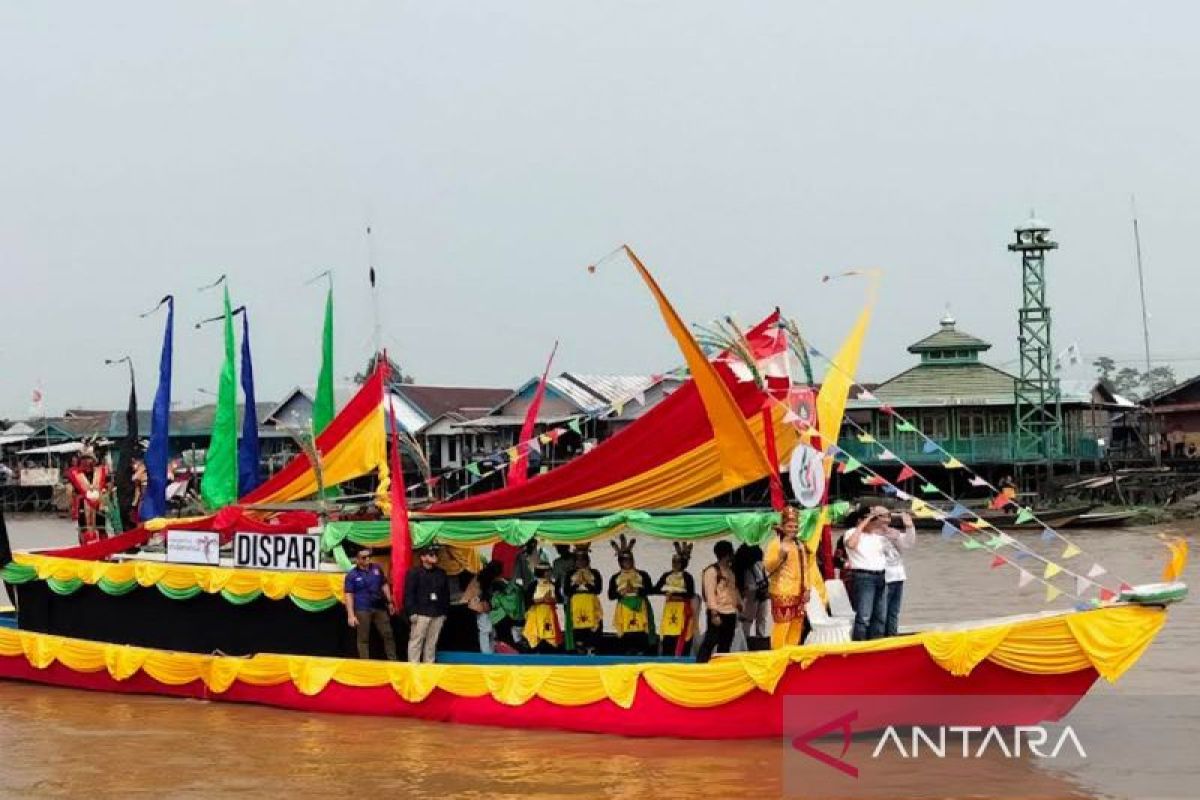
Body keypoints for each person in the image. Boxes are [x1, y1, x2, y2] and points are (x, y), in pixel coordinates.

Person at [844, 506, 896, 641]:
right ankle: (860, 645)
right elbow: (851, 545)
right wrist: (866, 520)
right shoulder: (852, 533)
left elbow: (898, 550)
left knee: (880, 616)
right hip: (864, 577)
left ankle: (876, 644)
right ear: (861, 520)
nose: (874, 523)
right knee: (864, 616)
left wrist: (883, 522)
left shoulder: (877, 537)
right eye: (872, 520)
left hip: (881, 576)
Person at [764, 506, 810, 649]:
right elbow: (768, 567)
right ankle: (778, 656)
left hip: (798, 591)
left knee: (797, 625)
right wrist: (780, 556)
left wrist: (807, 588)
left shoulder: (799, 544)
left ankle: (790, 656)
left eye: (795, 526)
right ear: (783, 527)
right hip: (782, 591)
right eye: (790, 526)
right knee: (782, 625)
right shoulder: (776, 544)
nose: (793, 529)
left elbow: (805, 567)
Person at [343, 548, 398, 660]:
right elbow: (349, 595)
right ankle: (365, 662)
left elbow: (384, 584)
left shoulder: (377, 569)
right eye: (364, 557)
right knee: (363, 638)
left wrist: (390, 602)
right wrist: (351, 615)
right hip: (362, 608)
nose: (367, 559)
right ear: (357, 559)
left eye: (369, 556)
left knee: (388, 634)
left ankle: (393, 660)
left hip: (379, 606)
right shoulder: (352, 575)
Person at [403, 545, 452, 663]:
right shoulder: (414, 572)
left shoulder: (441, 573)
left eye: (435, 554)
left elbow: (446, 594)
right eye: (431, 554)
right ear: (423, 557)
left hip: (437, 612)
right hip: (421, 612)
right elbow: (409, 593)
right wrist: (412, 612)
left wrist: (444, 612)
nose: (435, 556)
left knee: (432, 642)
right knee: (416, 641)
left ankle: (428, 667)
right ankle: (413, 667)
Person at [607, 534, 654, 655]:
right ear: (620, 562)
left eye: (629, 560)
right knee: (626, 629)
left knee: (640, 629)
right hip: (624, 606)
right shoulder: (615, 577)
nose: (627, 562)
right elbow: (610, 595)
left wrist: (637, 590)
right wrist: (620, 593)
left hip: (639, 604)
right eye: (624, 560)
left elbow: (650, 589)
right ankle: (627, 651)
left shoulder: (642, 575)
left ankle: (641, 651)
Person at [697, 540, 740, 662]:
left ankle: (720, 667)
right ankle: (700, 665)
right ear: (726, 554)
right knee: (710, 642)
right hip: (718, 612)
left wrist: (739, 604)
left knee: (726, 644)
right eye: (731, 553)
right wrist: (714, 613)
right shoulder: (712, 571)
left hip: (730, 612)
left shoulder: (730, 572)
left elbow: (733, 590)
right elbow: (710, 593)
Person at [654, 543, 696, 656]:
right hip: (669, 607)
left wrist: (676, 595)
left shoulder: (687, 577)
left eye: (678, 562)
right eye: (674, 561)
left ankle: (680, 654)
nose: (675, 564)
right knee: (668, 632)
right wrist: (666, 593)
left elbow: (690, 594)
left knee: (681, 632)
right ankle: (666, 654)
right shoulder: (667, 575)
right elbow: (655, 589)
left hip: (682, 608)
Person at [881, 510, 916, 637]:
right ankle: (880, 636)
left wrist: (909, 526)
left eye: (887, 517)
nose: (885, 521)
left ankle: (892, 634)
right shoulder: (873, 535)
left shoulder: (894, 533)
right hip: (883, 577)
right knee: (882, 611)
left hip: (898, 576)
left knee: (894, 611)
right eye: (882, 517)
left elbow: (909, 543)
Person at [563, 546, 603, 653]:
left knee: (593, 625)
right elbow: (566, 591)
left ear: (588, 561)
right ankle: (579, 646)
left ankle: (592, 648)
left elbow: (598, 589)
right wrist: (576, 584)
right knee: (578, 625)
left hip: (591, 602)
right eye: (578, 560)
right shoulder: (570, 573)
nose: (581, 562)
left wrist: (586, 583)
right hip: (576, 603)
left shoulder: (595, 573)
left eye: (583, 559)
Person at [67, 447, 109, 541]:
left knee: (101, 527)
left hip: (98, 503)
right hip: (82, 503)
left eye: (89, 458)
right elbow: (70, 490)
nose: (86, 461)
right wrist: (71, 503)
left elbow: (107, 486)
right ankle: (84, 547)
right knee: (83, 527)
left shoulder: (100, 472)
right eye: (84, 459)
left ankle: (105, 548)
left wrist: (105, 496)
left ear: (93, 460)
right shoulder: (75, 474)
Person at [522, 558, 563, 652]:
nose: (550, 573)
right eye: (548, 571)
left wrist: (552, 600)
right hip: (536, 615)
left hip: (549, 615)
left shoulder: (553, 585)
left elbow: (559, 599)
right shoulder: (533, 585)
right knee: (536, 636)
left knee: (549, 636)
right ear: (544, 572)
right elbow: (528, 600)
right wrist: (542, 600)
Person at [463, 561, 503, 654]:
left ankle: (489, 650)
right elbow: (481, 596)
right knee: (485, 629)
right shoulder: (484, 579)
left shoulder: (482, 576)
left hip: (477, 605)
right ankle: (486, 652)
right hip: (477, 605)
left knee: (488, 629)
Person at [733, 544, 769, 641]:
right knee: (749, 620)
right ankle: (746, 641)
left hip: (758, 594)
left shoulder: (759, 565)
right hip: (751, 595)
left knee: (760, 619)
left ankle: (755, 640)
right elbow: (747, 586)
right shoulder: (745, 568)